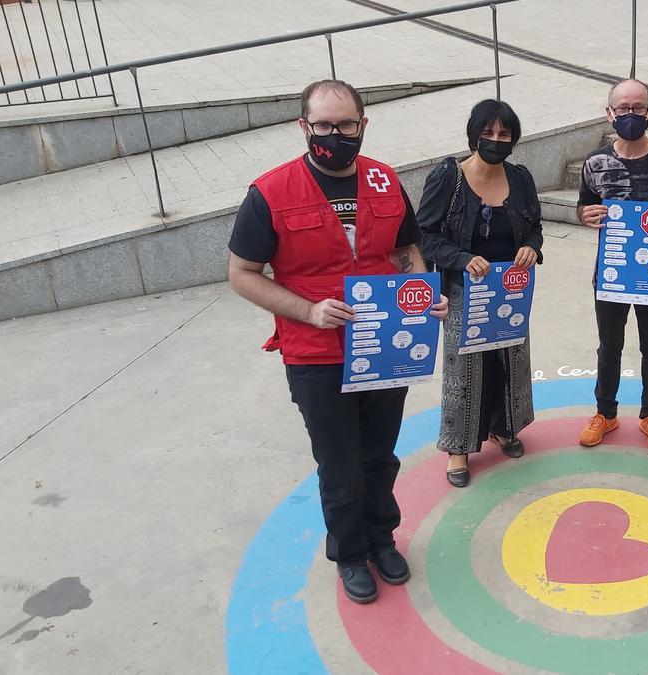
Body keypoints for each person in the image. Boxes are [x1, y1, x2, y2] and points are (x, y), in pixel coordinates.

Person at [227, 80, 447, 604]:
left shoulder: (384, 181)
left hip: (385, 346)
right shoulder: (270, 193)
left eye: (345, 124)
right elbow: (241, 273)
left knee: (380, 457)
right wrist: (308, 310)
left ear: (362, 125)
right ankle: (349, 553)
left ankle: (381, 539)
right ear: (304, 127)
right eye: (322, 125)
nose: (334, 134)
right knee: (340, 465)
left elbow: (406, 250)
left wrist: (422, 294)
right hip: (316, 355)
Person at [417, 99, 542, 488]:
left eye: (504, 134)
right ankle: (458, 448)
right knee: (464, 368)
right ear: (473, 134)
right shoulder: (449, 178)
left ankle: (502, 428)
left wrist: (532, 248)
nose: (495, 140)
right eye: (487, 133)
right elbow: (424, 236)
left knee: (508, 362)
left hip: (510, 290)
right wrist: (460, 257)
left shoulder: (520, 178)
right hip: (462, 291)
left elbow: (535, 226)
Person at [575, 78, 648, 453]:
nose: (630, 114)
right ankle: (605, 412)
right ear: (609, 112)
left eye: (638, 108)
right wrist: (586, 214)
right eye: (622, 108)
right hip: (610, 274)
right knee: (608, 346)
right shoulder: (595, 163)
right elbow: (583, 206)